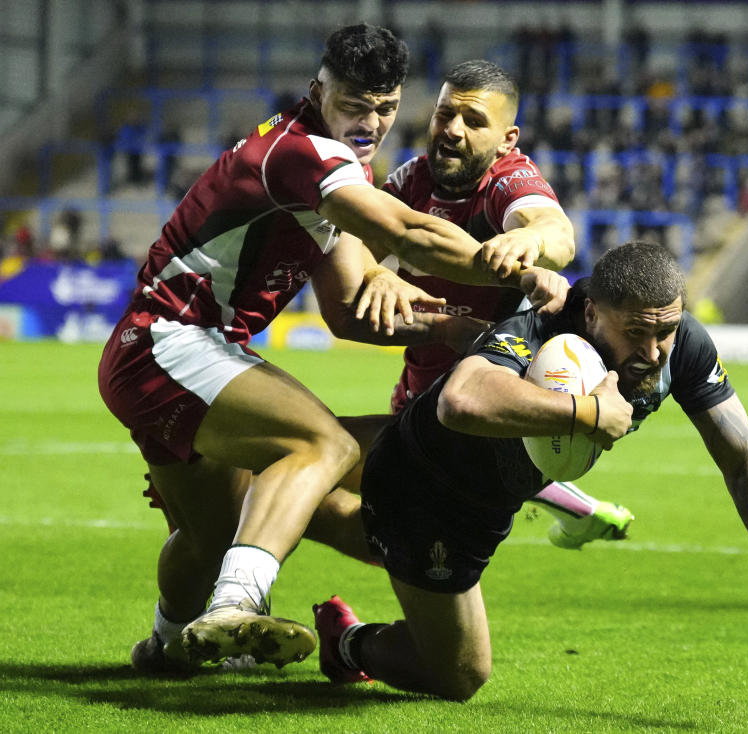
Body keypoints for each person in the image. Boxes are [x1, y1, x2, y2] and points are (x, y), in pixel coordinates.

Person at [99, 23, 562, 675]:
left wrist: (448, 329)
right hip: (172, 340)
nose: (371, 121)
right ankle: (236, 603)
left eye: (386, 107)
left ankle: (167, 647)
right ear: (320, 90)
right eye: (355, 104)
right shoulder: (306, 154)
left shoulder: (337, 164)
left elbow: (347, 308)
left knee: (206, 531)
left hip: (166, 352)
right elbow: (408, 230)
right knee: (328, 445)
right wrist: (513, 269)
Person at [313, 240, 748, 701]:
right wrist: (588, 412)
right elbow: (460, 400)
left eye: (666, 331)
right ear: (591, 315)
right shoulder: (541, 324)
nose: (653, 352)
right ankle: (346, 643)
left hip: (489, 504)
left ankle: (273, 506)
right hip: (428, 487)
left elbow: (741, 454)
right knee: (459, 676)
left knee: (365, 537)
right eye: (636, 332)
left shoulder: (679, 345)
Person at [310, 60, 634, 562]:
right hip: (421, 395)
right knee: (388, 523)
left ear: (509, 138)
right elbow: (351, 266)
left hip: (479, 408)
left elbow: (555, 230)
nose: (452, 131)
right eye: (444, 115)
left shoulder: (507, 180)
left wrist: (530, 238)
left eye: (474, 121)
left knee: (323, 473)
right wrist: (375, 273)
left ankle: (261, 581)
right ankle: (577, 509)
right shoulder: (410, 179)